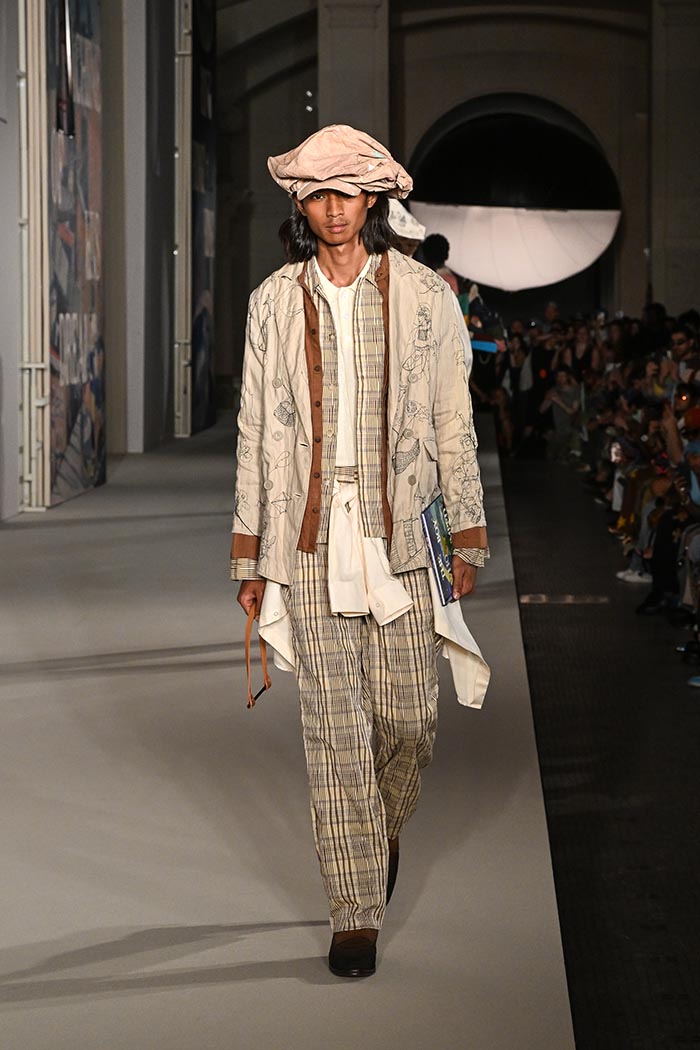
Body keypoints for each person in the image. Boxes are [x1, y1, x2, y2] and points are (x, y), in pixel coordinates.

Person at [230, 124, 489, 979]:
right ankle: (354, 912)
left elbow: (453, 415)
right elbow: (255, 430)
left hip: (401, 530)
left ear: (372, 199)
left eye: (345, 192)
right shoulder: (274, 300)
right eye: (316, 195)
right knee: (333, 728)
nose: (332, 209)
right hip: (309, 536)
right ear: (301, 206)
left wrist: (466, 531)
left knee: (411, 720)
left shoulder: (424, 296)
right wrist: (250, 557)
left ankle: (377, 831)